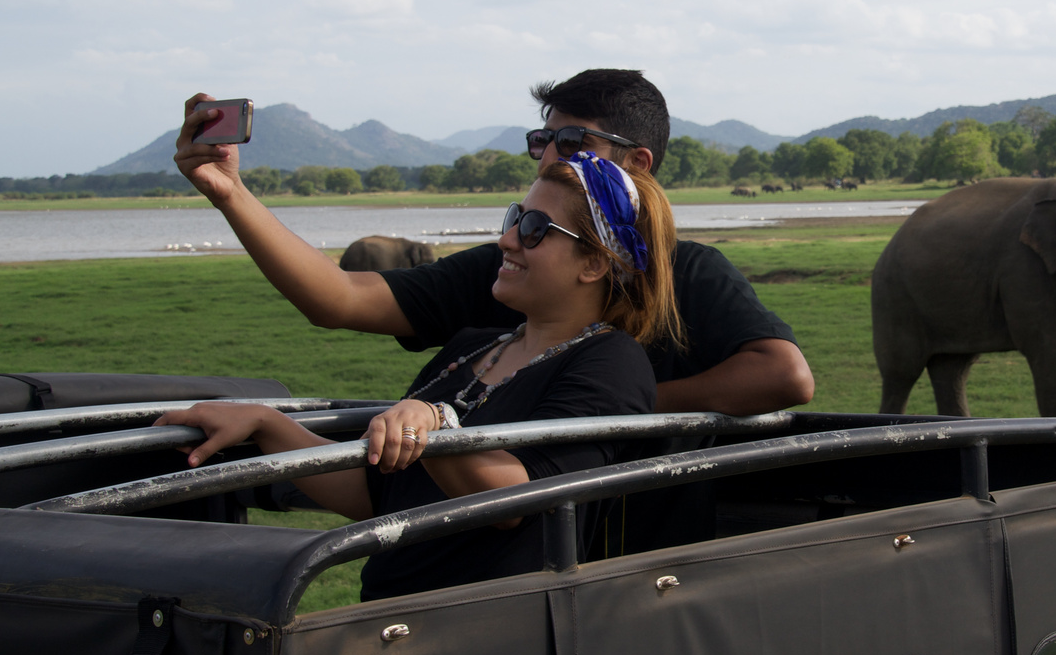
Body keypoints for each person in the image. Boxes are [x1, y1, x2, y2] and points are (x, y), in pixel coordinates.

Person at [155, 154, 677, 600]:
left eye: (535, 229)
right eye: (514, 217)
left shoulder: (612, 362)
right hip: (390, 619)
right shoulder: (474, 348)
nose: (507, 240)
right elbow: (374, 491)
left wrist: (436, 424)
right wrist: (265, 423)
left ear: (593, 263)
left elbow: (514, 500)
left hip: (483, 632)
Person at [174, 70, 813, 416]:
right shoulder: (517, 267)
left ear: (638, 164)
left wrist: (609, 412)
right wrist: (230, 192)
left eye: (571, 142)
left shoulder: (687, 272)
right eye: (543, 140)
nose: (545, 159)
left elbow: (784, 375)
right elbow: (341, 299)